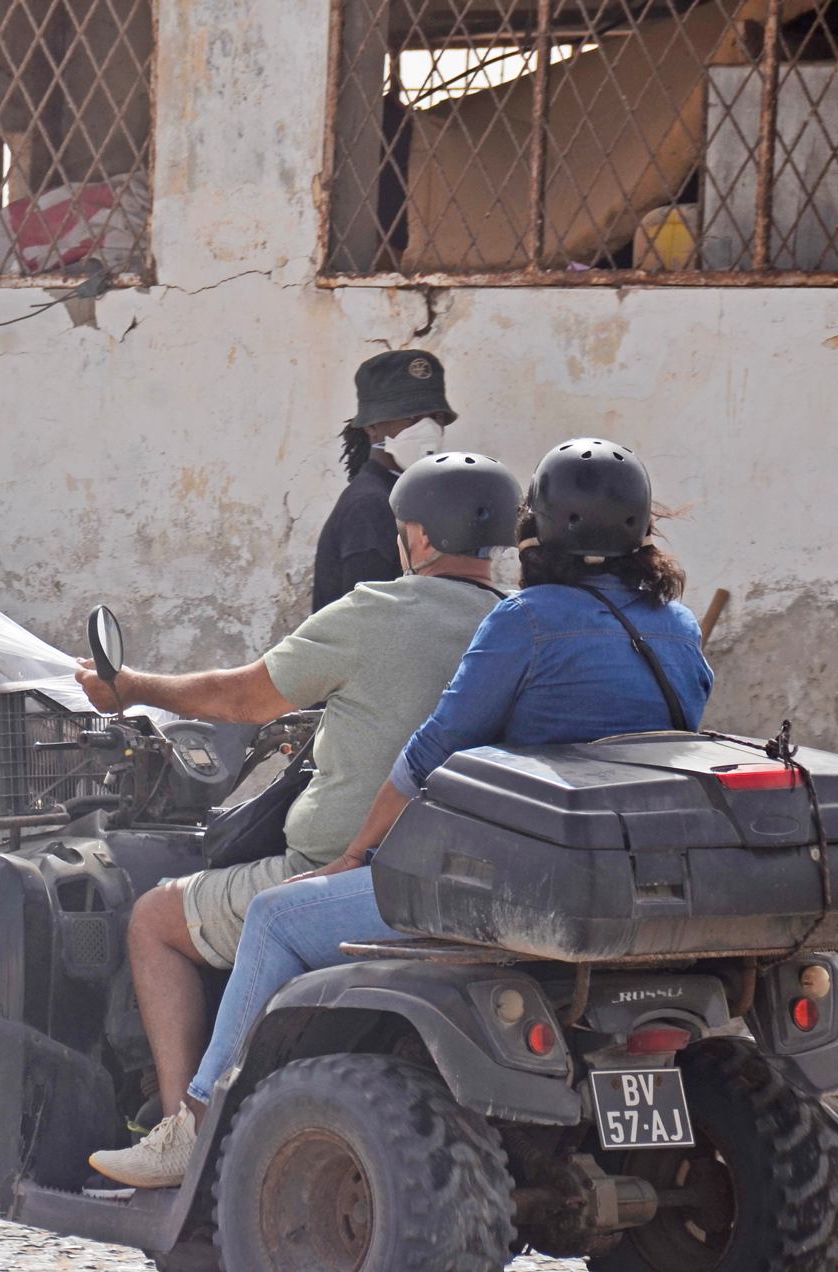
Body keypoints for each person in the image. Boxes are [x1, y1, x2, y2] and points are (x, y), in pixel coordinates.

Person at [94, 437, 713, 1189]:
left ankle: (190, 1128)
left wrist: (358, 851)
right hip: (625, 887)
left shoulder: (527, 620)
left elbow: (433, 748)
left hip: (503, 885)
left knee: (276, 915)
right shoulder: (674, 627)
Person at [78, 453, 523, 1184]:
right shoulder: (515, 625)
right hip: (476, 882)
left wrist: (129, 688)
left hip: (343, 876)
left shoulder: (374, 612)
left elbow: (245, 697)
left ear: (414, 535)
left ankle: (181, 1130)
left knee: (155, 918)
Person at [312, 349, 459, 611]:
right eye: (411, 418)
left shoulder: (404, 496)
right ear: (372, 427)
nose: (427, 429)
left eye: (435, 417)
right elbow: (367, 620)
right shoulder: (371, 506)